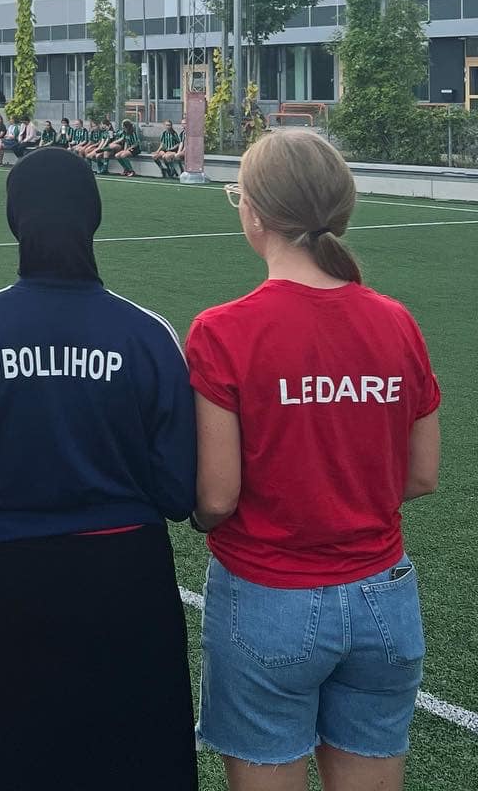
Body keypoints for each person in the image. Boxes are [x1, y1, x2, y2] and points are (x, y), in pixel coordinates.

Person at [0, 148, 198, 790]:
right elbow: (177, 490)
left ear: (16, 219)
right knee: (129, 760)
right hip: (124, 580)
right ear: (95, 218)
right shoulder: (148, 335)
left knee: (0, 760)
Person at [187, 130, 441, 791]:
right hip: (384, 597)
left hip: (269, 597)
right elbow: (420, 474)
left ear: (256, 214)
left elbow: (217, 497)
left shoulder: (224, 330)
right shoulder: (395, 321)